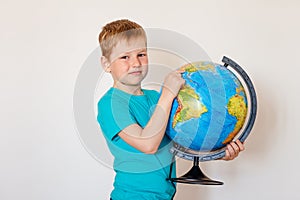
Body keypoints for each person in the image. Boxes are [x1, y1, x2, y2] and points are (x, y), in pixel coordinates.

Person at [97, 19, 245, 200]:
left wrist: (219, 153)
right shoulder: (110, 104)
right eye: (124, 57)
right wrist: (168, 94)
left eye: (141, 54)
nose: (136, 63)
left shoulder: (155, 98)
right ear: (106, 64)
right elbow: (148, 144)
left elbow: (179, 142)